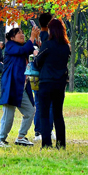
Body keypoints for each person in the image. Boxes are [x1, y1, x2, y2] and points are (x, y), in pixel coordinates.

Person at [0, 25, 39, 147]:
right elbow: (23, 50)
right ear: (11, 37)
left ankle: (21, 137)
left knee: (30, 111)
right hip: (11, 85)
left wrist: (35, 38)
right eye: (19, 33)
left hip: (22, 86)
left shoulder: (23, 47)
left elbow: (31, 49)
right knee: (8, 115)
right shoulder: (10, 45)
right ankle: (1, 139)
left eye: (23, 33)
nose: (22, 35)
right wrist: (32, 38)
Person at [35, 18, 70, 149]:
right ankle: (61, 144)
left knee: (44, 114)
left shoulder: (47, 44)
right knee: (58, 114)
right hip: (60, 83)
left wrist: (37, 55)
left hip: (46, 81)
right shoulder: (66, 46)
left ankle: (46, 144)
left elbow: (38, 62)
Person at [33, 11, 53, 141]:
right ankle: (48, 130)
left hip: (40, 75)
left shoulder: (44, 37)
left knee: (39, 104)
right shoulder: (53, 38)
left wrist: (36, 54)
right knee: (49, 105)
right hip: (52, 76)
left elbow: (39, 60)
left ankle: (39, 131)